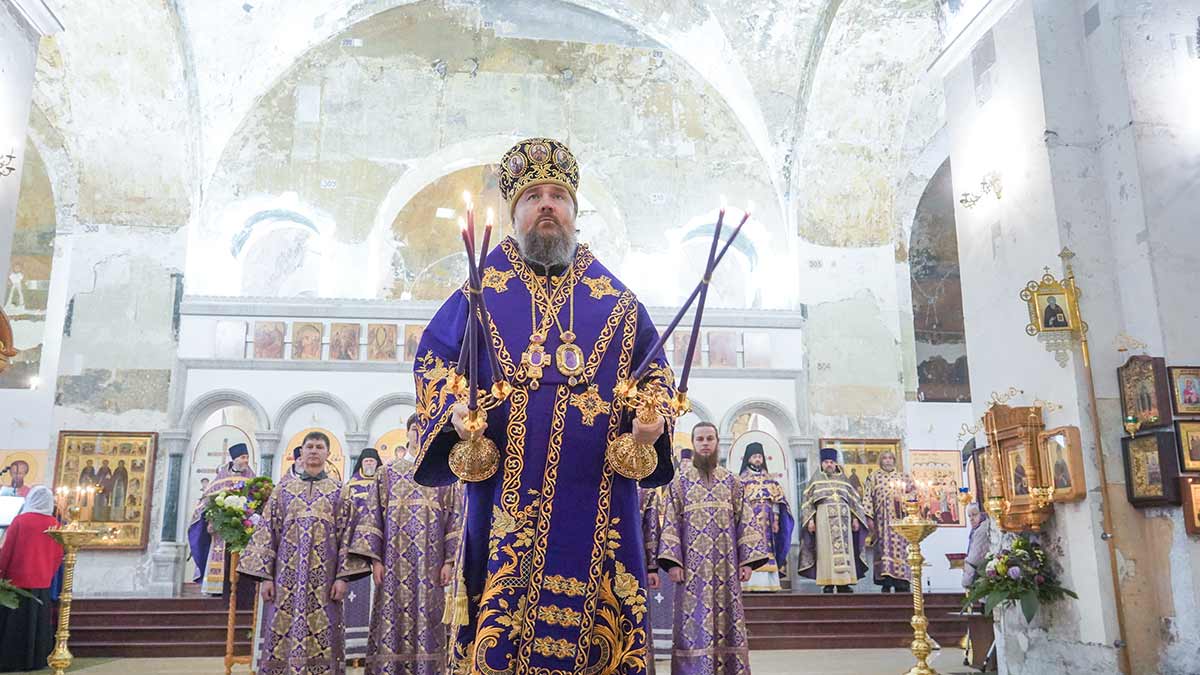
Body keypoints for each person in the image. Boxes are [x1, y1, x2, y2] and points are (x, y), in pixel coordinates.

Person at [412, 138, 675, 674]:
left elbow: (656, 373)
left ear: (575, 213)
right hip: (506, 493)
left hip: (599, 492)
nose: (547, 205)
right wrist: (454, 408)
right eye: (533, 197)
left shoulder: (618, 301)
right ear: (516, 215)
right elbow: (433, 361)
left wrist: (652, 420)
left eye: (559, 196)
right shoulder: (480, 292)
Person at [238, 431, 369, 675]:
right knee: (282, 633)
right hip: (285, 579)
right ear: (302, 452)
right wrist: (266, 577)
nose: (314, 451)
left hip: (324, 582)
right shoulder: (283, 490)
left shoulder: (340, 491)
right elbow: (267, 532)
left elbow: (347, 536)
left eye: (319, 447)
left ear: (328, 453)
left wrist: (343, 577)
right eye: (310, 446)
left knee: (324, 635)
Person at [351, 415, 462, 675]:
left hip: (431, 566)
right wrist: (375, 560)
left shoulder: (444, 474)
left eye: (425, 428)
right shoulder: (387, 473)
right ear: (407, 433)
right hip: (393, 565)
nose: (419, 433)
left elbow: (454, 517)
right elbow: (373, 516)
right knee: (391, 618)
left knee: (430, 618)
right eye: (415, 428)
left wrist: (449, 562)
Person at [657, 422, 768, 674]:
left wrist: (747, 562)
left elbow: (745, 521)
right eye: (700, 439)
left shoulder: (733, 482)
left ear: (717, 442)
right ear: (693, 443)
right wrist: (673, 563)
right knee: (692, 625)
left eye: (709, 438)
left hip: (727, 569)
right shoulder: (679, 483)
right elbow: (671, 522)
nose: (705, 443)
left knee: (729, 622)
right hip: (692, 572)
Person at [0, 486, 64, 671]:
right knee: (38, 624)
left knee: (14, 624)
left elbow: (7, 551)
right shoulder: (55, 524)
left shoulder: (21, 521)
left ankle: (11, 660)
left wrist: (1, 573)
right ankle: (36, 660)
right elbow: (58, 555)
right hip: (42, 582)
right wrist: (47, 574)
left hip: (17, 582)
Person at [187, 442, 257, 595]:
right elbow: (207, 501)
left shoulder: (251, 478)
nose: (246, 460)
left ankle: (243, 590)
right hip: (221, 529)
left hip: (243, 527)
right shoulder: (221, 478)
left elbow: (257, 501)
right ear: (235, 459)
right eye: (243, 457)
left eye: (247, 457)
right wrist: (211, 519)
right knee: (218, 555)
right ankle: (216, 588)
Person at [798, 448, 869, 593]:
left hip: (844, 521)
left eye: (831, 462)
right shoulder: (815, 480)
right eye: (826, 462)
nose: (829, 464)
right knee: (825, 551)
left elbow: (854, 502)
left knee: (846, 550)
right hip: (823, 520)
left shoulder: (844, 480)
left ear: (836, 463)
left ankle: (844, 583)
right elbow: (807, 503)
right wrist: (810, 520)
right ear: (821, 464)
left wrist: (856, 519)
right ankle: (828, 583)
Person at [737, 442, 794, 593]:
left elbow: (776, 503)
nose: (757, 459)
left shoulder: (770, 480)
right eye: (754, 456)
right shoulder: (741, 480)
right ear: (748, 459)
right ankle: (748, 583)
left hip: (768, 523)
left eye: (759, 456)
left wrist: (776, 520)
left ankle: (769, 584)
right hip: (749, 522)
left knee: (768, 548)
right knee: (750, 548)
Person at [343, 447, 382, 666]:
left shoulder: (384, 483)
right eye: (366, 461)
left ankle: (374, 649)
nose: (369, 464)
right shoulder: (351, 486)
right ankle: (354, 649)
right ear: (361, 463)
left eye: (372, 461)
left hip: (380, 551)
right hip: (357, 552)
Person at [862, 450, 914, 593]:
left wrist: (903, 500)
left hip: (900, 520)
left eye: (891, 458)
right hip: (881, 522)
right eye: (885, 458)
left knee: (901, 550)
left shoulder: (903, 477)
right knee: (883, 548)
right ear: (880, 461)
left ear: (894, 460)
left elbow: (914, 494)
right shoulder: (873, 477)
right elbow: (867, 498)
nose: (888, 460)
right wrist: (869, 518)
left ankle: (902, 581)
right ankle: (886, 580)